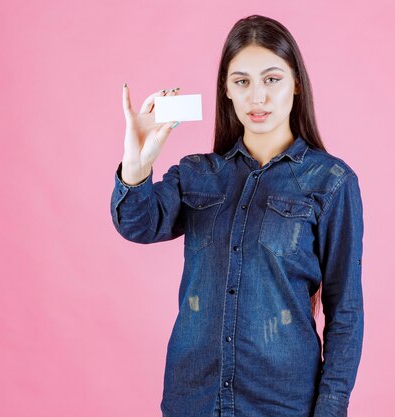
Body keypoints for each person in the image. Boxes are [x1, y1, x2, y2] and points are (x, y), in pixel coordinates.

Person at [110, 14, 364, 417]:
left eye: (272, 79)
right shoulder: (198, 174)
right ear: (226, 90)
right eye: (242, 81)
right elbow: (138, 223)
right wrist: (136, 163)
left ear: (296, 83)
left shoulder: (330, 181)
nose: (257, 97)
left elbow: (345, 309)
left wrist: (331, 408)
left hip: (284, 403)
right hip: (193, 400)